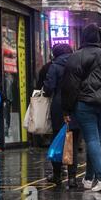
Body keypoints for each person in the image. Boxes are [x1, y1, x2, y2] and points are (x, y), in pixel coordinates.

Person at [61, 23, 101, 192]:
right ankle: (88, 179)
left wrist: (66, 109)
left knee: (92, 140)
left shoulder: (76, 56)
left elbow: (69, 85)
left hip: (85, 104)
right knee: (94, 140)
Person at [43, 44, 81, 188]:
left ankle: (57, 175)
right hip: (77, 105)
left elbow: (48, 88)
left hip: (59, 107)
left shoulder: (55, 66)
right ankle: (72, 178)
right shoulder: (78, 64)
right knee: (73, 142)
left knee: (58, 141)